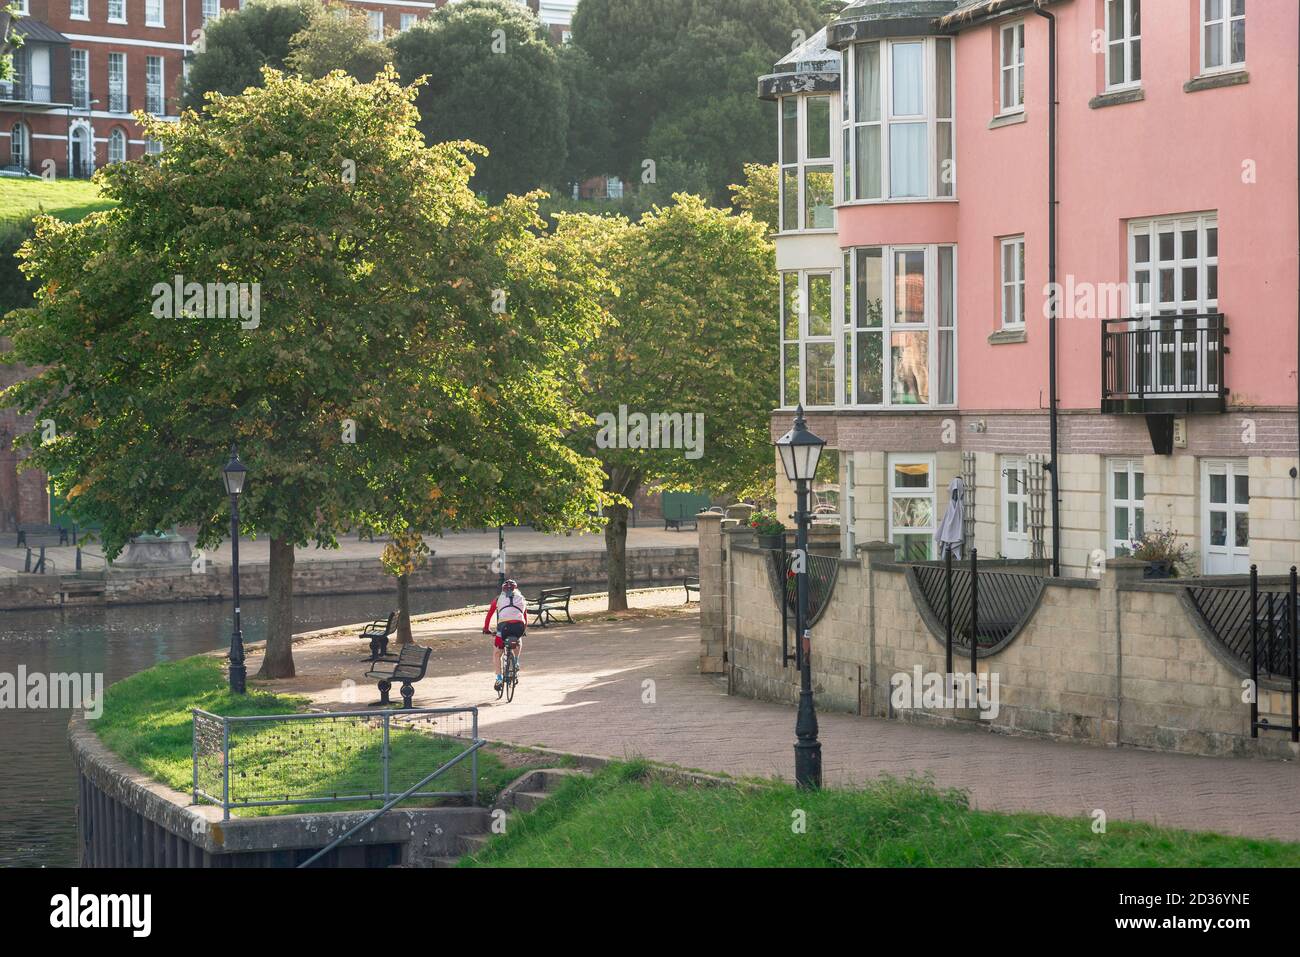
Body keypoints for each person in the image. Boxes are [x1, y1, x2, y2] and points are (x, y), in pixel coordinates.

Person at [483, 579, 527, 692]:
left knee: (497, 653)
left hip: (504, 627)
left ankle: (498, 678)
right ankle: (516, 661)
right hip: (519, 626)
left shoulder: (498, 599)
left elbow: (489, 615)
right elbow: (524, 617)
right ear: (515, 589)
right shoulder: (522, 598)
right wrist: (524, 630)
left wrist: (486, 629)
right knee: (518, 637)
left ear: (503, 590)